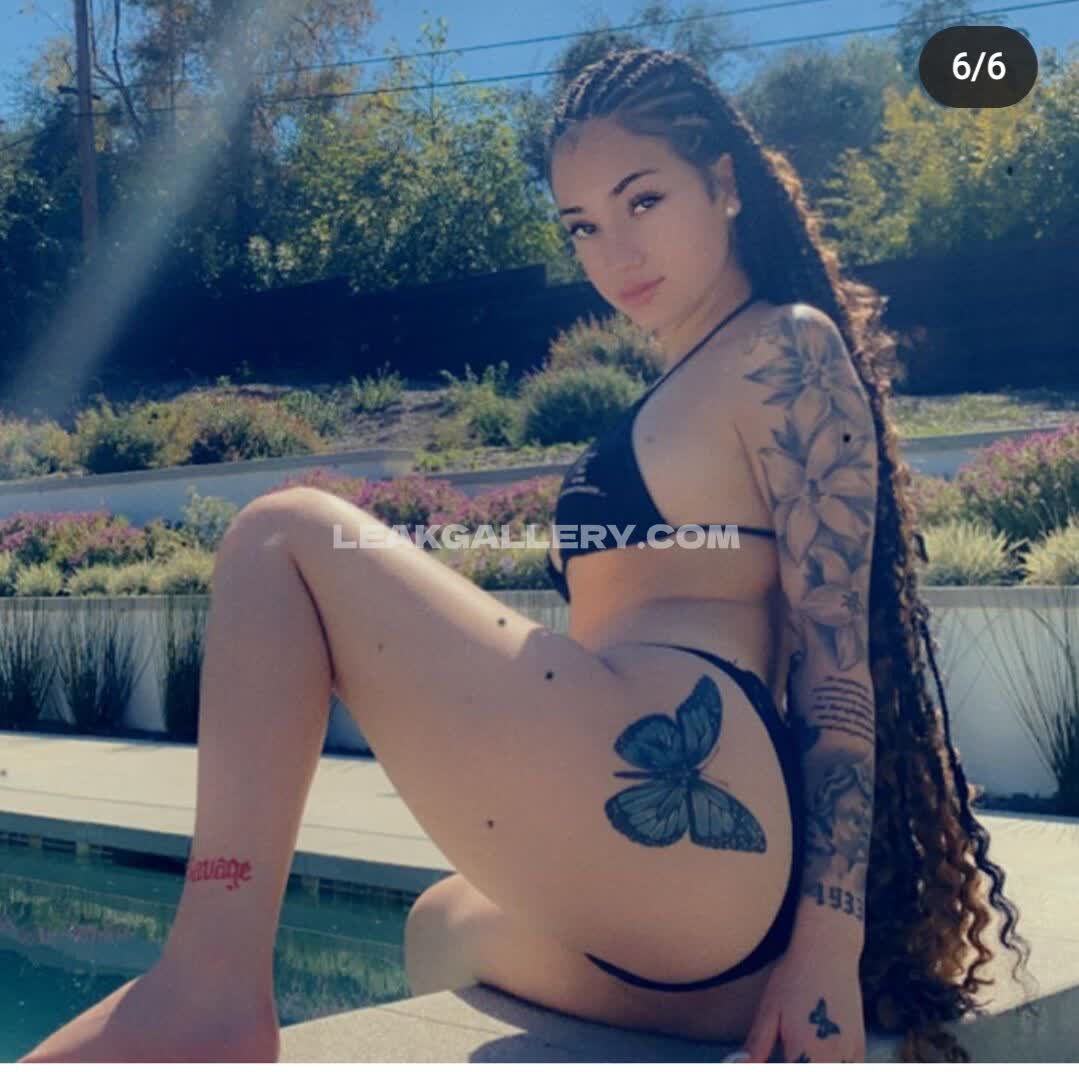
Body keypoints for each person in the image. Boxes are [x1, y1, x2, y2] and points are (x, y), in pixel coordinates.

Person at [18, 45, 1033, 1064]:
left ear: (723, 184)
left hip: (700, 811)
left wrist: (827, 944)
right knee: (439, 925)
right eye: (581, 225)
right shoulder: (688, 379)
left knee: (281, 535)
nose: (614, 252)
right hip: (694, 910)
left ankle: (208, 987)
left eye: (642, 200)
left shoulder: (783, 345)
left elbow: (838, 662)